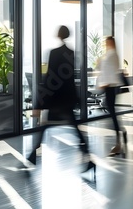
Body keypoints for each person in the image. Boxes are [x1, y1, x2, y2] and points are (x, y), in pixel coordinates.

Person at [29, 26, 95, 177]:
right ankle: (88, 157)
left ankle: (32, 155)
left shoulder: (54, 53)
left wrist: (41, 101)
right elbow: (70, 78)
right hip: (67, 97)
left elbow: (50, 78)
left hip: (56, 97)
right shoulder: (71, 53)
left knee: (45, 126)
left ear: (59, 35)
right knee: (71, 128)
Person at [96, 36, 127, 156]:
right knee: (112, 113)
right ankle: (121, 135)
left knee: (112, 113)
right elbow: (102, 68)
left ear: (111, 42)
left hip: (111, 87)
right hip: (109, 86)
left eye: (107, 42)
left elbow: (111, 71)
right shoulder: (109, 54)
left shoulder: (113, 55)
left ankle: (119, 141)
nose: (105, 44)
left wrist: (105, 83)